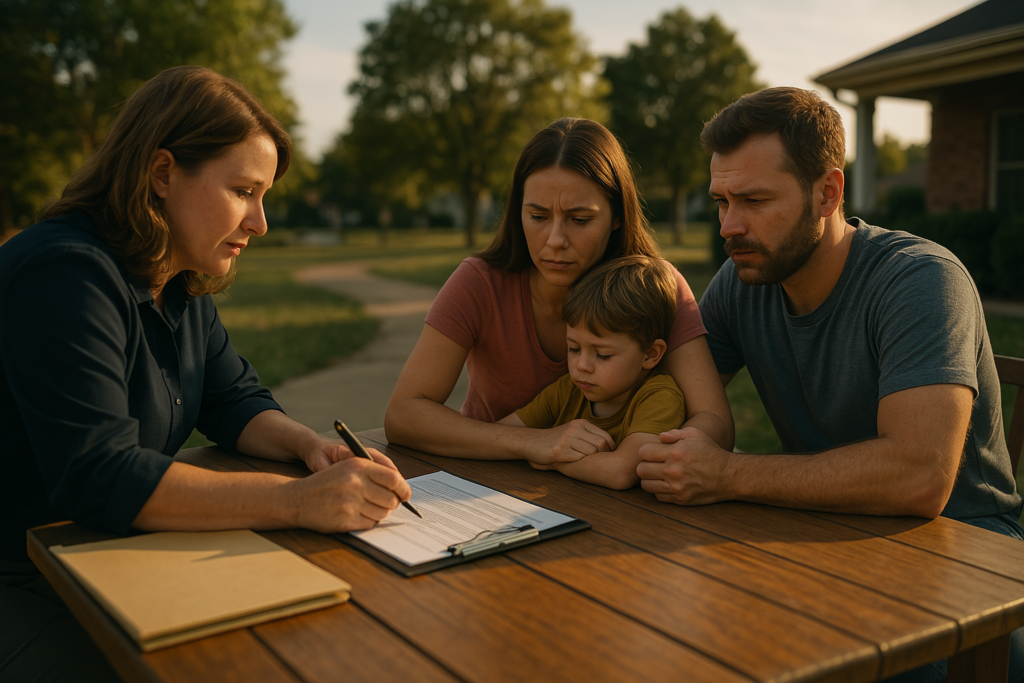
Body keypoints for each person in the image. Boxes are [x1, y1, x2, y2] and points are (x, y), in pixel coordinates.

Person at [0, 66, 412, 681]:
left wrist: (312, 449)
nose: (260, 222)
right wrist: (298, 502)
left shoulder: (177, 286)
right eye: (245, 191)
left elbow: (234, 400)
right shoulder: (64, 273)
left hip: (103, 560)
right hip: (25, 579)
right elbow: (100, 475)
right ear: (163, 174)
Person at [636, 86, 1023, 683]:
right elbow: (660, 400)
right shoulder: (744, 281)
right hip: (825, 535)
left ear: (828, 192)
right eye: (721, 201)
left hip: (970, 568)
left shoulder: (919, 281)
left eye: (755, 200)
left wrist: (727, 473)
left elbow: (918, 476)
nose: (729, 226)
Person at [384, 117, 732, 468]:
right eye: (537, 216)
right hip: (492, 485)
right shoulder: (479, 283)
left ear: (616, 216)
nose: (555, 241)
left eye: (579, 220)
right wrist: (535, 442)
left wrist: (637, 461)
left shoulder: (658, 288)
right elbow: (404, 415)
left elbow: (714, 422)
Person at [499, 255, 685, 489]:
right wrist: (531, 446)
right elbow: (499, 435)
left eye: (603, 354)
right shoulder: (568, 390)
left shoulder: (659, 397)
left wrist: (549, 457)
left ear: (650, 354)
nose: (582, 365)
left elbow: (620, 472)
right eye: (574, 348)